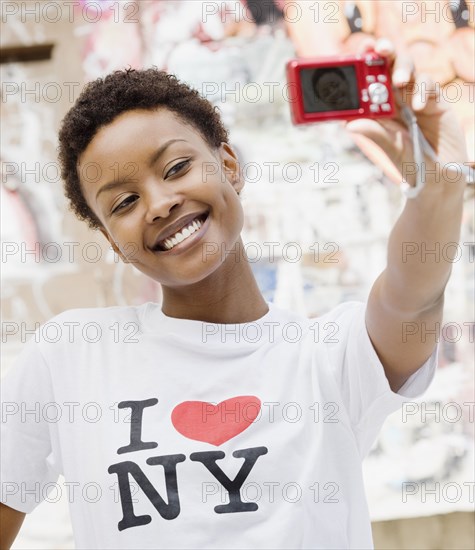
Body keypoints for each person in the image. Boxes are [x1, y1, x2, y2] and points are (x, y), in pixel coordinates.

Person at [0, 38, 468, 549]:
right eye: (125, 202)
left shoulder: (331, 358)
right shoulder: (70, 356)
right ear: (112, 241)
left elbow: (413, 295)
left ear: (228, 165)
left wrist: (438, 187)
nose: (159, 203)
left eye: (176, 167)